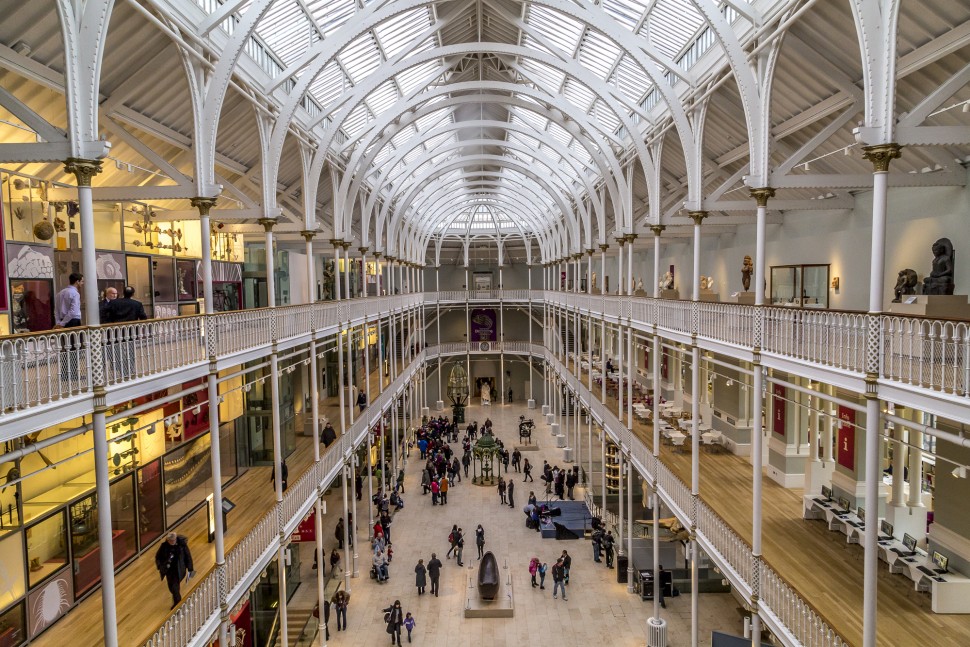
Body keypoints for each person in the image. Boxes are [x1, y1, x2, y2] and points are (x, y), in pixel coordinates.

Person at [54, 272, 84, 380]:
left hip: (63, 321)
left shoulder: (60, 293)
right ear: (77, 281)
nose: (83, 283)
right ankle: (73, 374)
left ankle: (65, 373)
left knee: (66, 347)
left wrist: (59, 323)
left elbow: (56, 310)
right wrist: (62, 323)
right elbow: (73, 312)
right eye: (82, 281)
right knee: (75, 347)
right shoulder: (75, 293)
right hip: (73, 321)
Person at [154, 532, 194, 609]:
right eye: (170, 541)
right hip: (168, 570)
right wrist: (160, 566)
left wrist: (190, 568)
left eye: (173, 540)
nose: (172, 542)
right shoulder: (164, 547)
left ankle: (178, 604)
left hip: (178, 569)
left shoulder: (182, 546)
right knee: (171, 587)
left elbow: (188, 556)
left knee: (175, 587)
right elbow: (158, 557)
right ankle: (177, 600)